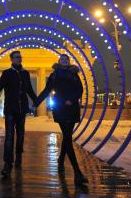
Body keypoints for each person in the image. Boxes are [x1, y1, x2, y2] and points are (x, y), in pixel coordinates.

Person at [0, 50, 38, 176]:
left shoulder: (25, 73)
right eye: (17, 57)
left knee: (20, 135)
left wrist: (37, 100)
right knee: (9, 136)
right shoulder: (7, 73)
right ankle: (7, 163)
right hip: (10, 109)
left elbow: (29, 89)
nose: (19, 59)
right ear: (11, 59)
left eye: (20, 57)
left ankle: (18, 157)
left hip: (22, 109)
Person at [37, 54, 88, 186]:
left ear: (69, 62)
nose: (64, 61)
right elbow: (47, 90)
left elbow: (80, 90)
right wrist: (36, 102)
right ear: (59, 62)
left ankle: (61, 161)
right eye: (62, 59)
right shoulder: (54, 75)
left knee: (67, 137)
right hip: (60, 108)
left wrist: (71, 99)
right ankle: (77, 173)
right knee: (67, 137)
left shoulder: (74, 74)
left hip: (72, 108)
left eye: (66, 59)